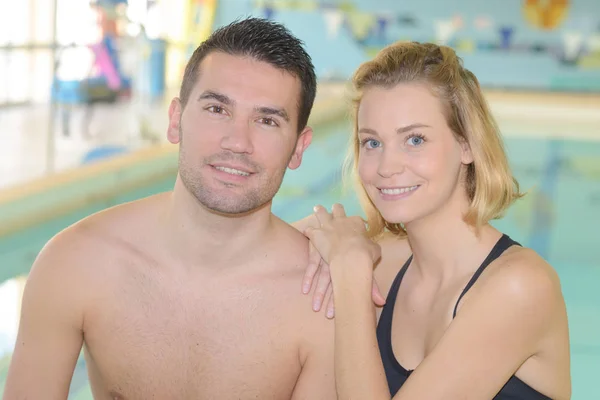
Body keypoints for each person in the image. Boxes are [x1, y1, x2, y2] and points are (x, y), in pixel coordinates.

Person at [3, 17, 337, 400]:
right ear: (176, 119)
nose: (237, 142)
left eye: (266, 120)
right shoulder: (76, 263)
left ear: (299, 147)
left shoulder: (321, 302)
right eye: (217, 109)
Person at [296, 41, 571, 399]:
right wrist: (319, 233)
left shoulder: (521, 286)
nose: (387, 167)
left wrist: (349, 271)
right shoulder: (384, 261)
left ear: (467, 145)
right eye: (372, 143)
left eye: (414, 139)